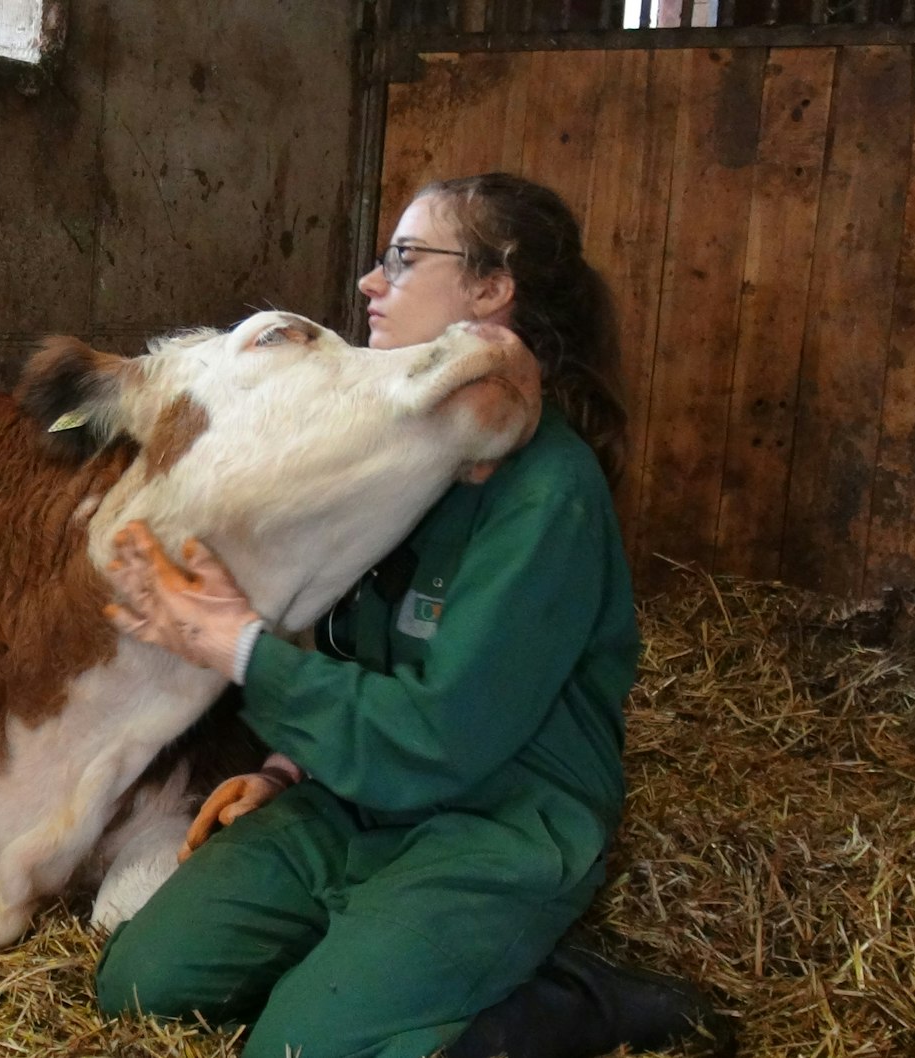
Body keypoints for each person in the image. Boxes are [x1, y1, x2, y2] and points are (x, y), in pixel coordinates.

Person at [94, 173, 736, 1058]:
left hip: (495, 821)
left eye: (404, 257)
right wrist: (285, 770)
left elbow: (440, 735)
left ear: (491, 287)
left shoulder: (549, 493)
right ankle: (382, 963)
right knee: (141, 987)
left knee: (300, 1050)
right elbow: (353, 637)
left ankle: (566, 1001)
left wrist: (231, 643)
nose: (370, 281)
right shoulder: (396, 448)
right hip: (354, 799)